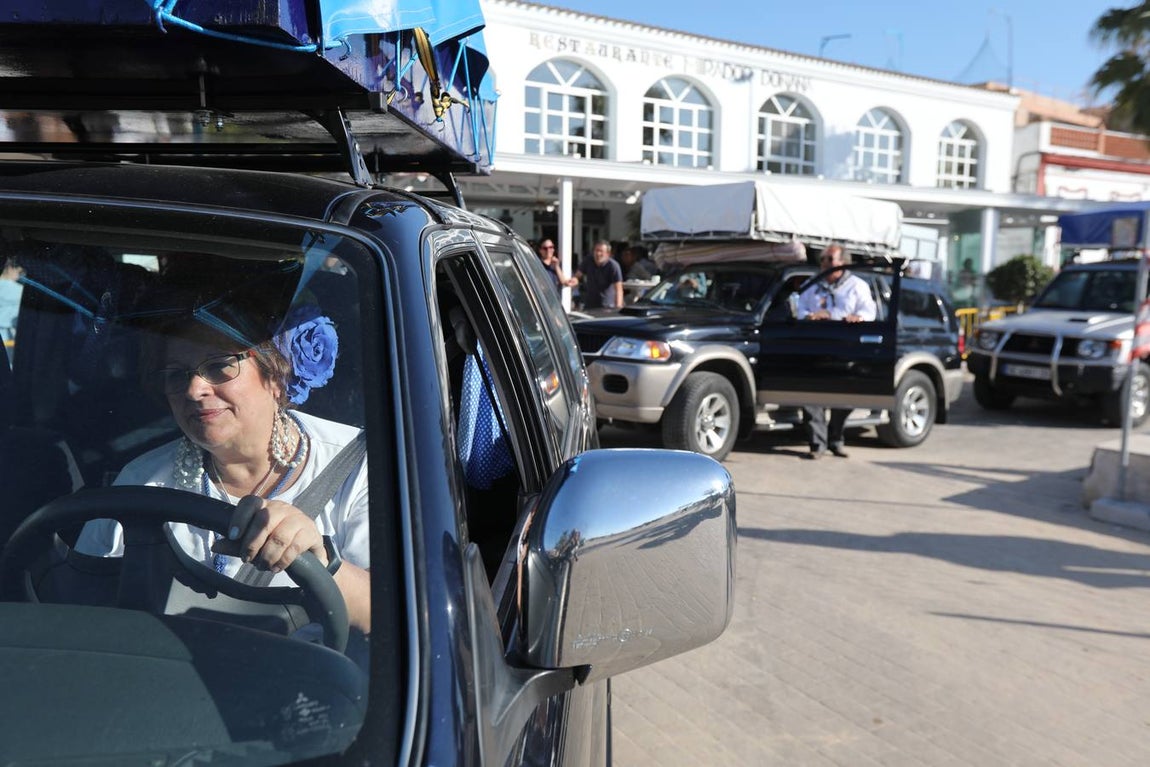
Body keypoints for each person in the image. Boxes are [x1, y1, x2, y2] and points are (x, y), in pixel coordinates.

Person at [74, 279, 371, 637]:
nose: (193, 389)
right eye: (176, 375)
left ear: (276, 373)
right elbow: (81, 615)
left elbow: (393, 617)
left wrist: (320, 561)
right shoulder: (140, 482)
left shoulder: (358, 465)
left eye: (218, 366)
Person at [794, 244, 877, 460]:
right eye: (823, 259)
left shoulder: (857, 286)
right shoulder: (812, 284)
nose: (825, 264)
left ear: (843, 263)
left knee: (845, 397)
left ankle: (836, 438)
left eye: (830, 259)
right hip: (816, 347)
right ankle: (817, 444)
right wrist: (810, 315)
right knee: (812, 397)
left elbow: (869, 311)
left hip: (844, 348)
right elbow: (799, 308)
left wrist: (858, 318)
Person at [572, 240, 624, 310]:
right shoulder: (588, 260)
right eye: (596, 250)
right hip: (589, 305)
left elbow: (618, 289)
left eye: (601, 251)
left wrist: (618, 307)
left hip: (607, 306)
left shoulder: (613, 266)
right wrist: (574, 280)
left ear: (608, 254)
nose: (598, 254)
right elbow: (578, 275)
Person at [0, 258, 23, 362]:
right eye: (19, 272)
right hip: (8, 336)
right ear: (10, 269)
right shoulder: (18, 291)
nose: (20, 276)